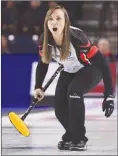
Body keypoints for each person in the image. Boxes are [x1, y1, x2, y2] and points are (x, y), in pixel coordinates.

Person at [34, 6, 114, 151]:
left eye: (58, 18)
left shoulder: (78, 38)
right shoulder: (44, 40)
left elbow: (103, 65)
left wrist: (108, 95)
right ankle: (71, 134)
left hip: (90, 69)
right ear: (46, 23)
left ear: (66, 22)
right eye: (50, 19)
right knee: (59, 105)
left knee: (74, 92)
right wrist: (38, 86)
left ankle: (79, 138)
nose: (54, 23)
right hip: (69, 70)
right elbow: (43, 64)